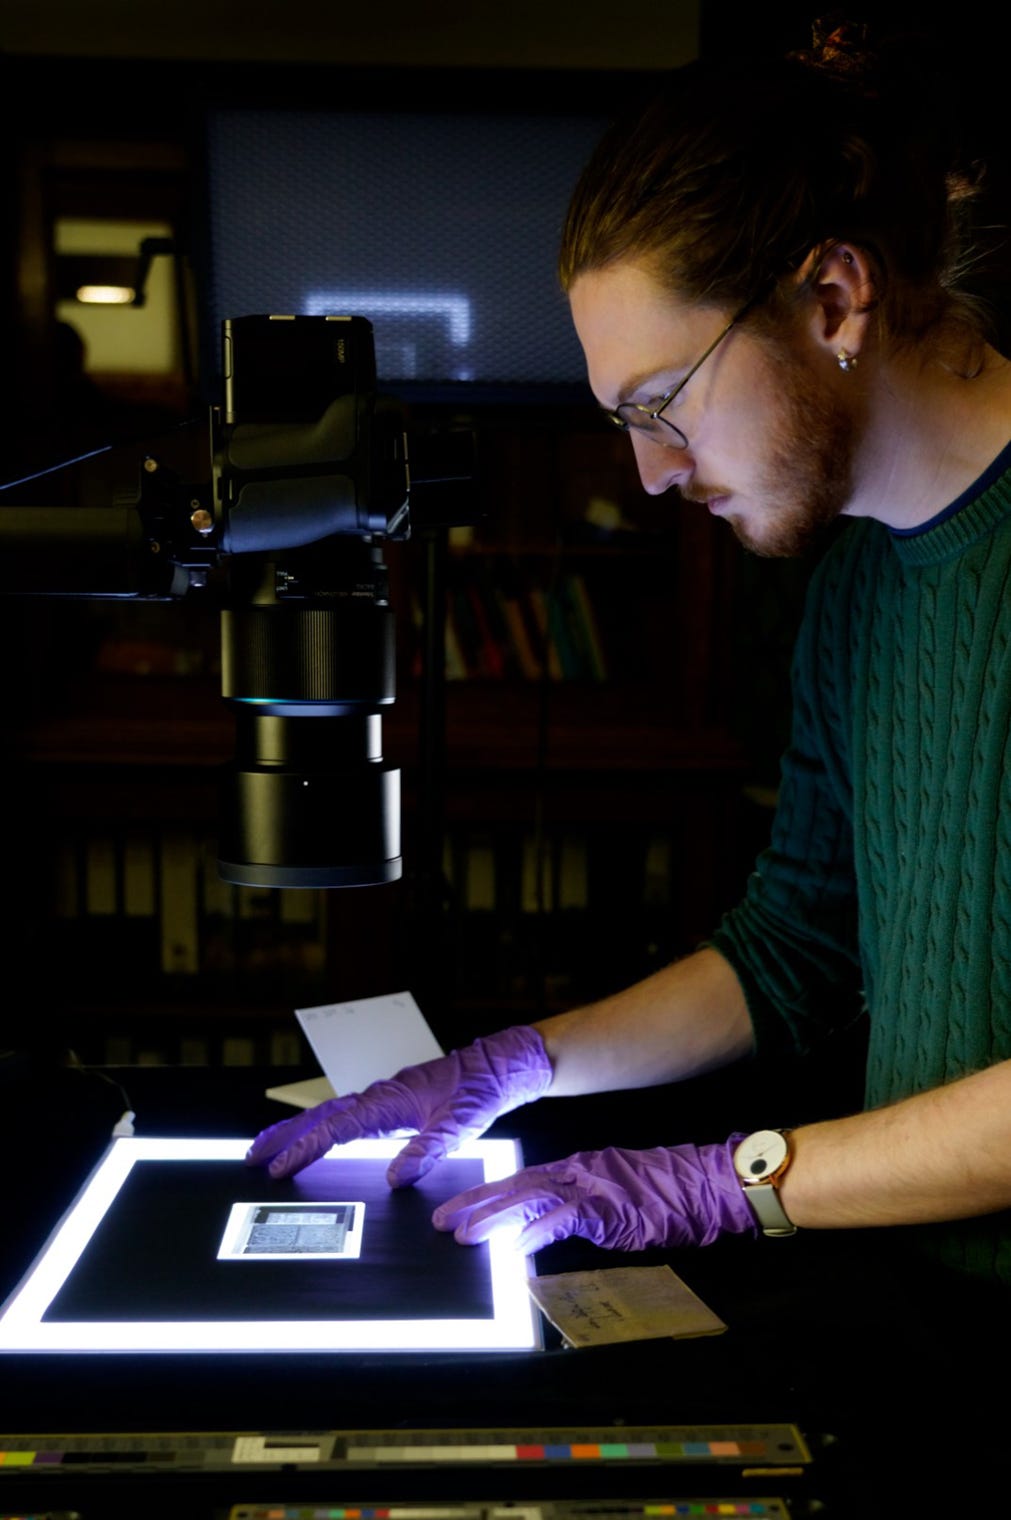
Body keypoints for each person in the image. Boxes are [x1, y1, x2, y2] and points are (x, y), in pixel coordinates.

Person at [247, 20, 1011, 1285]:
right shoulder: (860, 581)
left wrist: (724, 1182)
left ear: (833, 298)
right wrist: (519, 1062)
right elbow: (791, 948)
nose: (652, 476)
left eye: (662, 405)